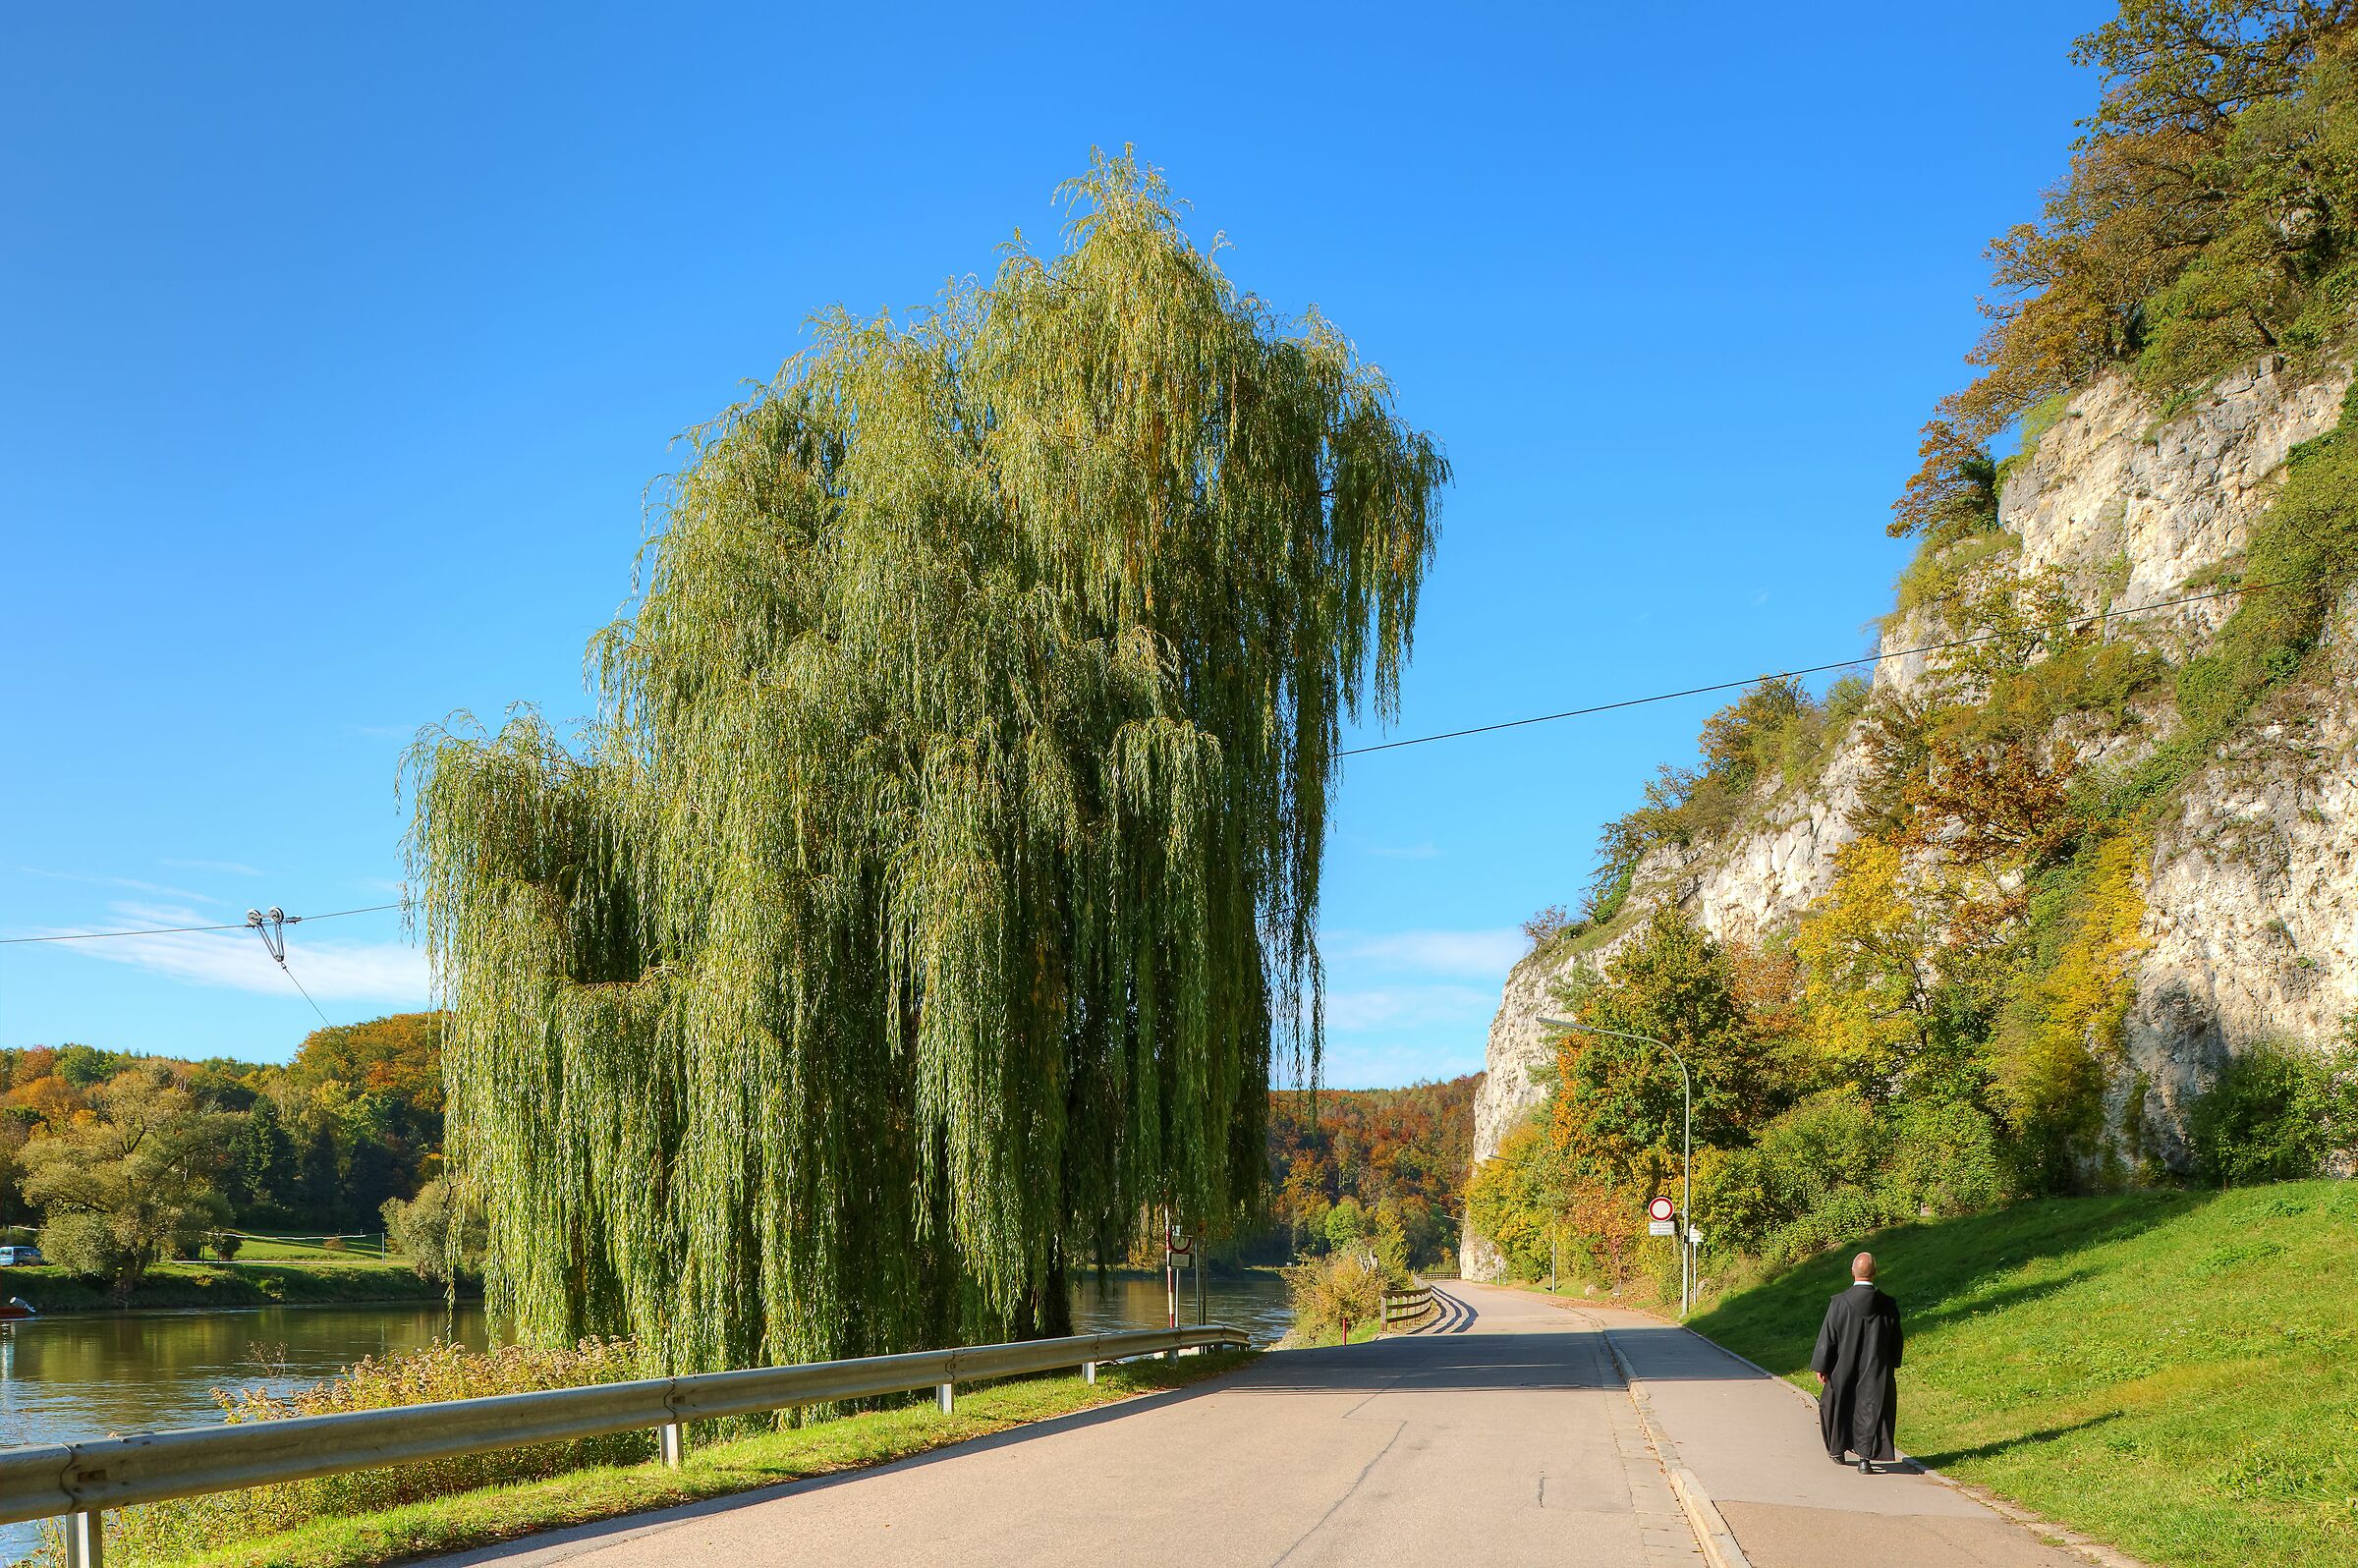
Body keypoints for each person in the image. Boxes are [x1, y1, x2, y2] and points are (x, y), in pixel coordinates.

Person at [1811, 1251, 1902, 1474]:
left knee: (1837, 1404)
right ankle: (1865, 1459)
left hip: (1842, 1367)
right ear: (1875, 1273)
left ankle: (1837, 1450)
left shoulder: (1840, 1303)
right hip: (1875, 1368)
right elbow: (1896, 1339)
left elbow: (1828, 1337)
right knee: (1869, 1409)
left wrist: (1822, 1365)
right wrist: (1890, 1363)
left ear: (1852, 1271)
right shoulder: (1888, 1305)